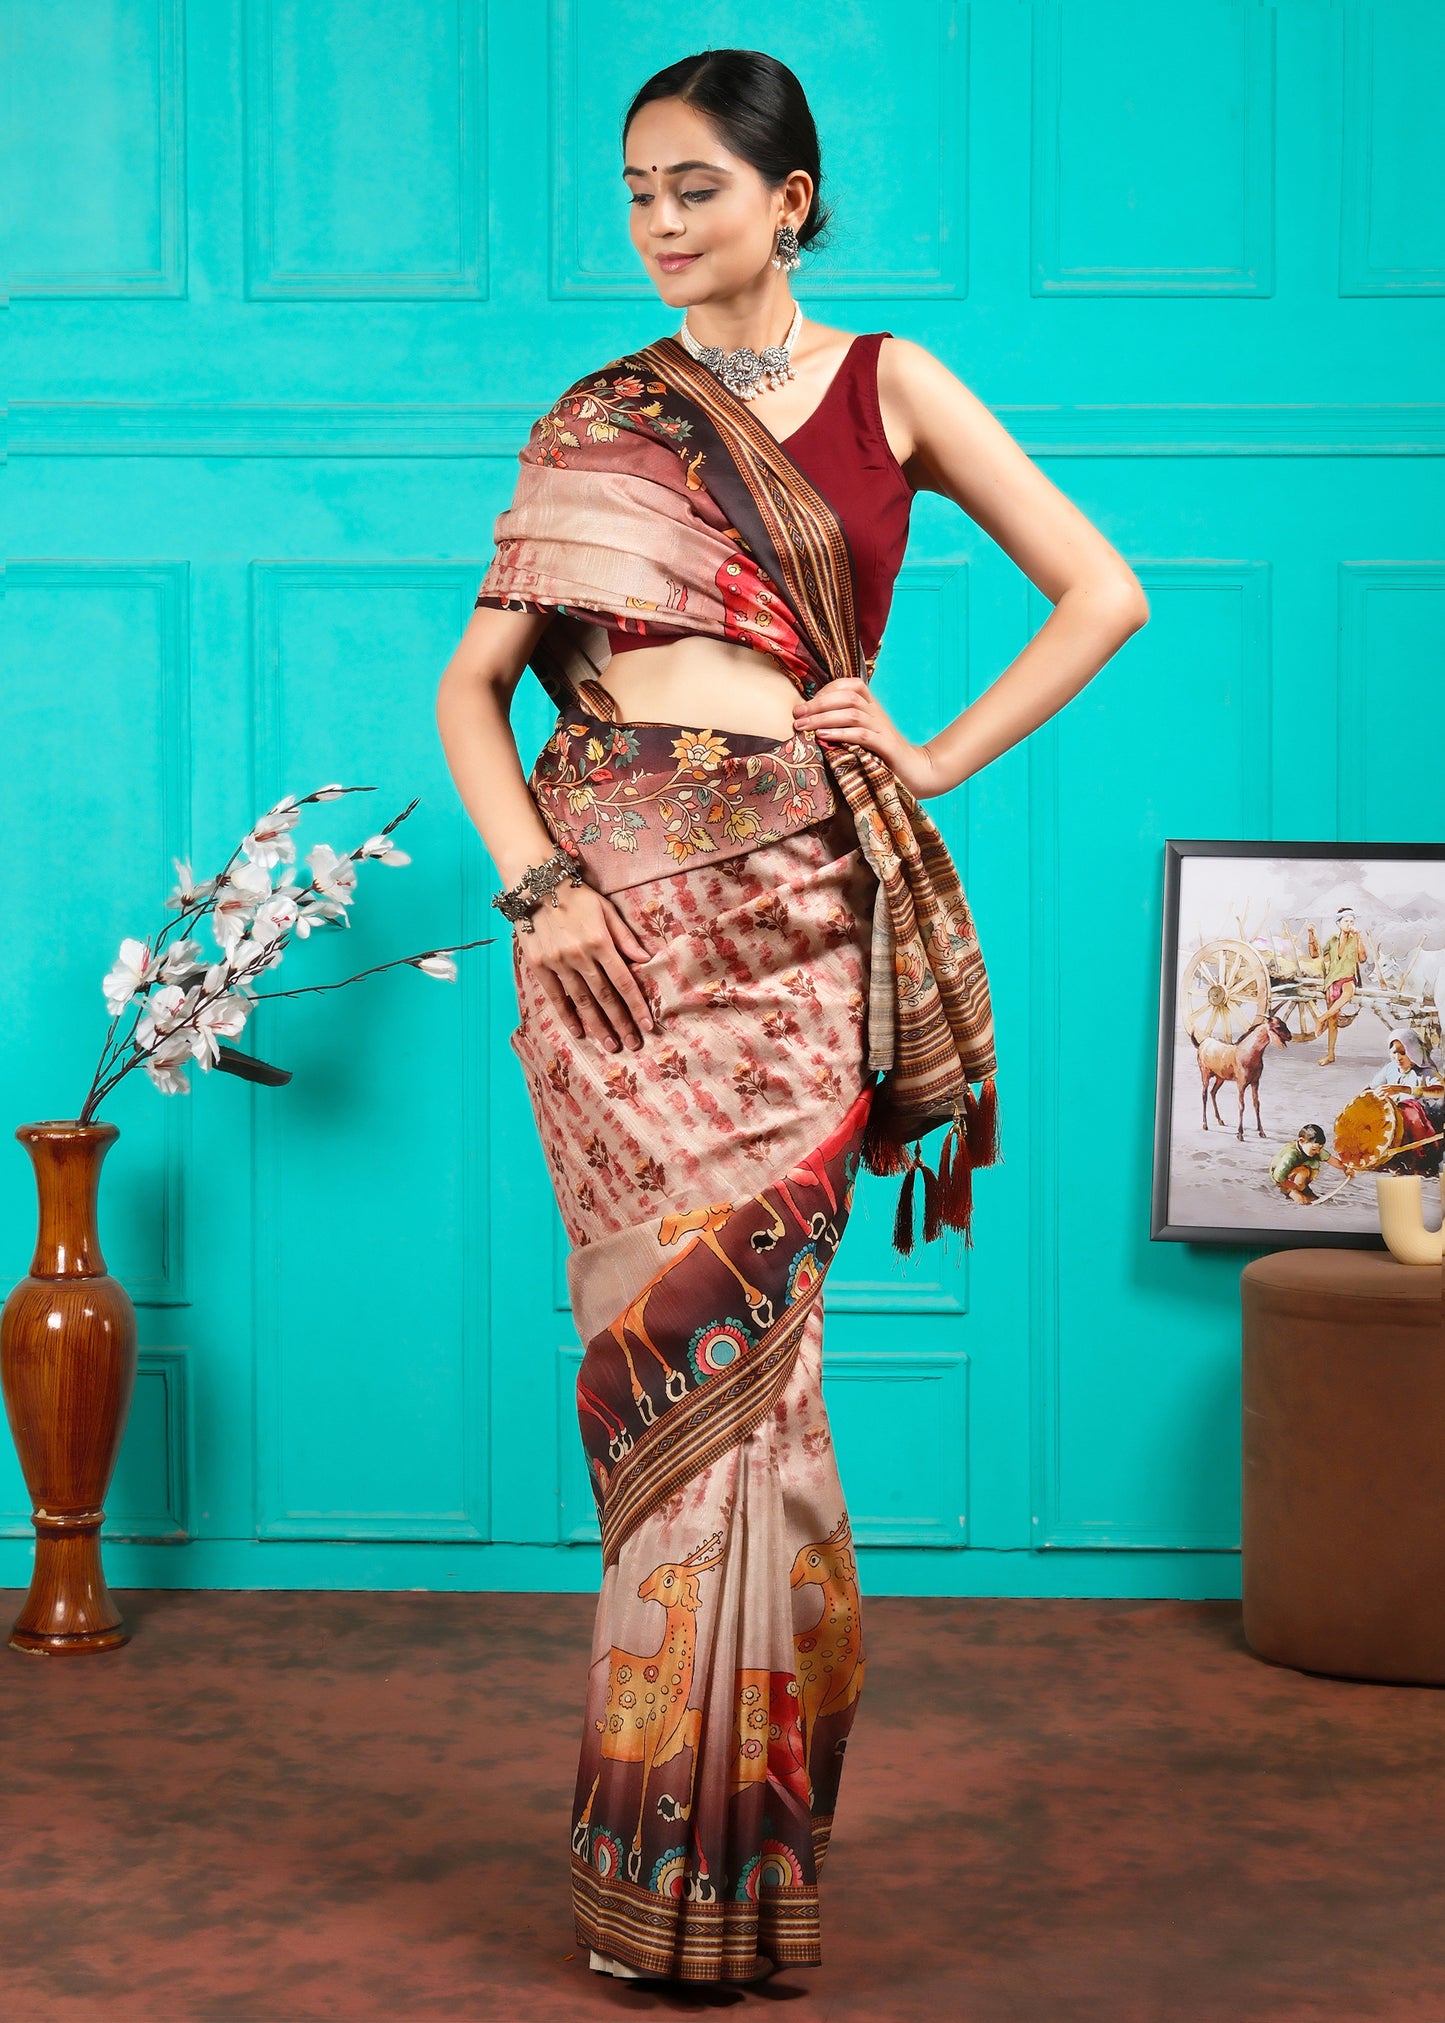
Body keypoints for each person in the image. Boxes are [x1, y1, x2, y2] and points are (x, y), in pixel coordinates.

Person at [434, 48, 1148, 1987]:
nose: (658, 224)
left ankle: (738, 1844)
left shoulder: (886, 387)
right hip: (603, 945)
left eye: (692, 188)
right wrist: (537, 884)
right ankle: (656, 1865)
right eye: (634, 193)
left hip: (793, 928)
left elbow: (1101, 592)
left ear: (790, 196)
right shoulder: (593, 417)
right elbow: (469, 695)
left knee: (763, 1388)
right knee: (657, 1381)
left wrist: (924, 754)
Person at [1312, 905, 1369, 1065]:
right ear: (1338, 923)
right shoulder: (1332, 940)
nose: (1349, 924)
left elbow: (1363, 958)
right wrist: (1311, 936)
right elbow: (1316, 954)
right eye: (1346, 921)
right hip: (1332, 980)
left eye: (1352, 921)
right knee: (1333, 1022)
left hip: (1348, 979)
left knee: (1348, 993)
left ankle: (1321, 1018)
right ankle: (1330, 1054)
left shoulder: (1354, 939)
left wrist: (1358, 937)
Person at [1270, 1123, 1346, 1204]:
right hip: (1283, 1179)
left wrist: (1346, 1168)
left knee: (1311, 1197)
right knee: (1302, 1200)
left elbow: (1331, 1160)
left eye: (1320, 1148)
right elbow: (1279, 1177)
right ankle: (1293, 1191)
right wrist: (1294, 1187)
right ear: (1301, 1141)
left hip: (1299, 1175)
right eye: (1314, 1149)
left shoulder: (1316, 1150)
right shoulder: (1291, 1155)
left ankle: (1302, 1188)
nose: (1317, 1152)